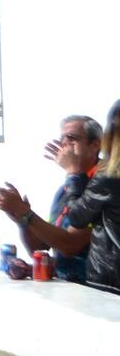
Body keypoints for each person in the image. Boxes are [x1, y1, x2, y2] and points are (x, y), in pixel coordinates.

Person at [0, 114, 101, 284]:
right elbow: (42, 248)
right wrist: (22, 220)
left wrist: (25, 212)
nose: (64, 145)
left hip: (98, 292)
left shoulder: (103, 185)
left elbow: (70, 245)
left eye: (72, 138)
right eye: (62, 139)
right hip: (68, 288)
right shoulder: (66, 188)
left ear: (95, 144)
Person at [64, 100, 120, 292]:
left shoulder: (109, 176)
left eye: (71, 138)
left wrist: (72, 174)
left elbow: (76, 217)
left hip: (110, 280)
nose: (65, 145)